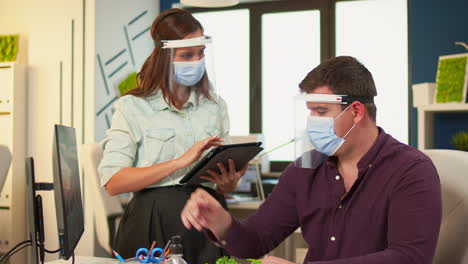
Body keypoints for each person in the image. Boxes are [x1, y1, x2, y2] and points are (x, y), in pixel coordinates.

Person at [181, 56, 442, 264]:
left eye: (320, 111)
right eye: (310, 112)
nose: (312, 123)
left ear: (356, 111)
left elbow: (409, 258)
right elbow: (256, 240)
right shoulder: (305, 169)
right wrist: (222, 224)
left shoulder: (411, 171)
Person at [98, 8, 248, 264]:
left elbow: (225, 181)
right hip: (153, 220)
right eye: (186, 55)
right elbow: (113, 182)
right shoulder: (133, 107)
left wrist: (229, 183)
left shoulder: (215, 106)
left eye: (200, 53)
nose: (196, 61)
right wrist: (180, 162)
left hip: (207, 220)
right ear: (165, 57)